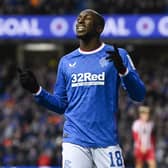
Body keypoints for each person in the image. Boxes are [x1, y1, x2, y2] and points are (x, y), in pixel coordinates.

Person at [18, 9, 146, 168]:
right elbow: (60, 105)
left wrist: (123, 72)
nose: (80, 21)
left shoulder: (117, 55)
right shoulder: (66, 62)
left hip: (106, 141)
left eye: (86, 19)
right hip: (75, 141)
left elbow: (139, 95)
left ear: (99, 28)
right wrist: (36, 90)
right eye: (78, 18)